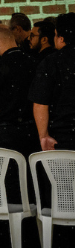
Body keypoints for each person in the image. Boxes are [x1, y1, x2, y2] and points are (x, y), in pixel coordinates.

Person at [0, 25, 40, 162]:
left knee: (6, 182)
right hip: (32, 134)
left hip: (3, 137)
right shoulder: (34, 63)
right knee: (31, 180)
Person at [31, 12, 75, 150]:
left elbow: (40, 103)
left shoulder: (51, 62)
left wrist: (43, 136)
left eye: (55, 35)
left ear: (61, 38)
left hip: (62, 137)